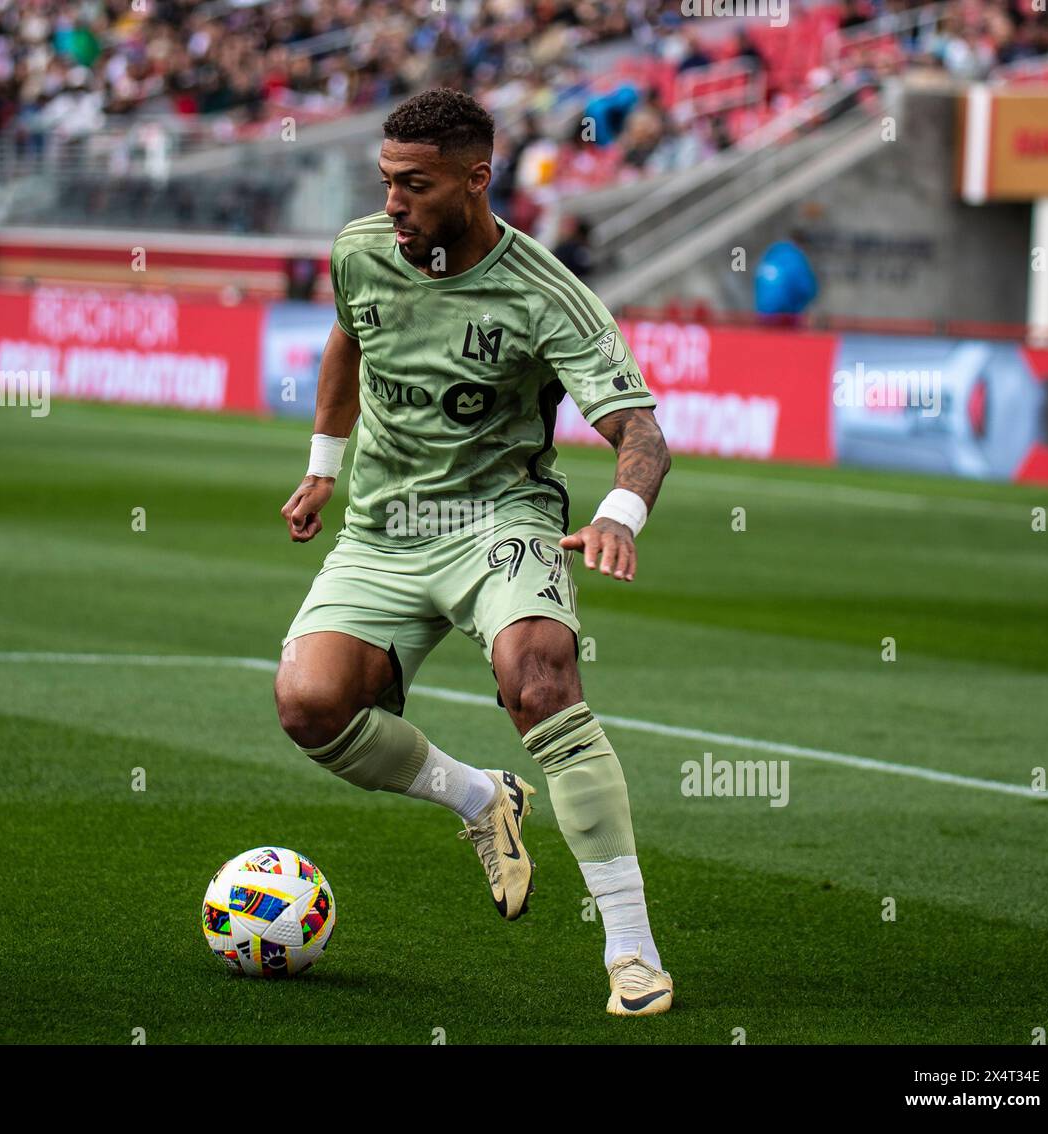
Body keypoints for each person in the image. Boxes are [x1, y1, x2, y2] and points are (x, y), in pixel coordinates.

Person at [275, 88, 675, 1016]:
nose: (393, 205)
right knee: (310, 704)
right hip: (382, 525)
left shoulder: (546, 294)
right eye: (386, 182)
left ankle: (631, 951)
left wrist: (620, 512)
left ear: (476, 179)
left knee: (540, 676)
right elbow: (348, 342)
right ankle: (478, 800)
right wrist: (324, 466)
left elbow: (642, 433)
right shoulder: (362, 252)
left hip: (499, 520)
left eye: (415, 186)